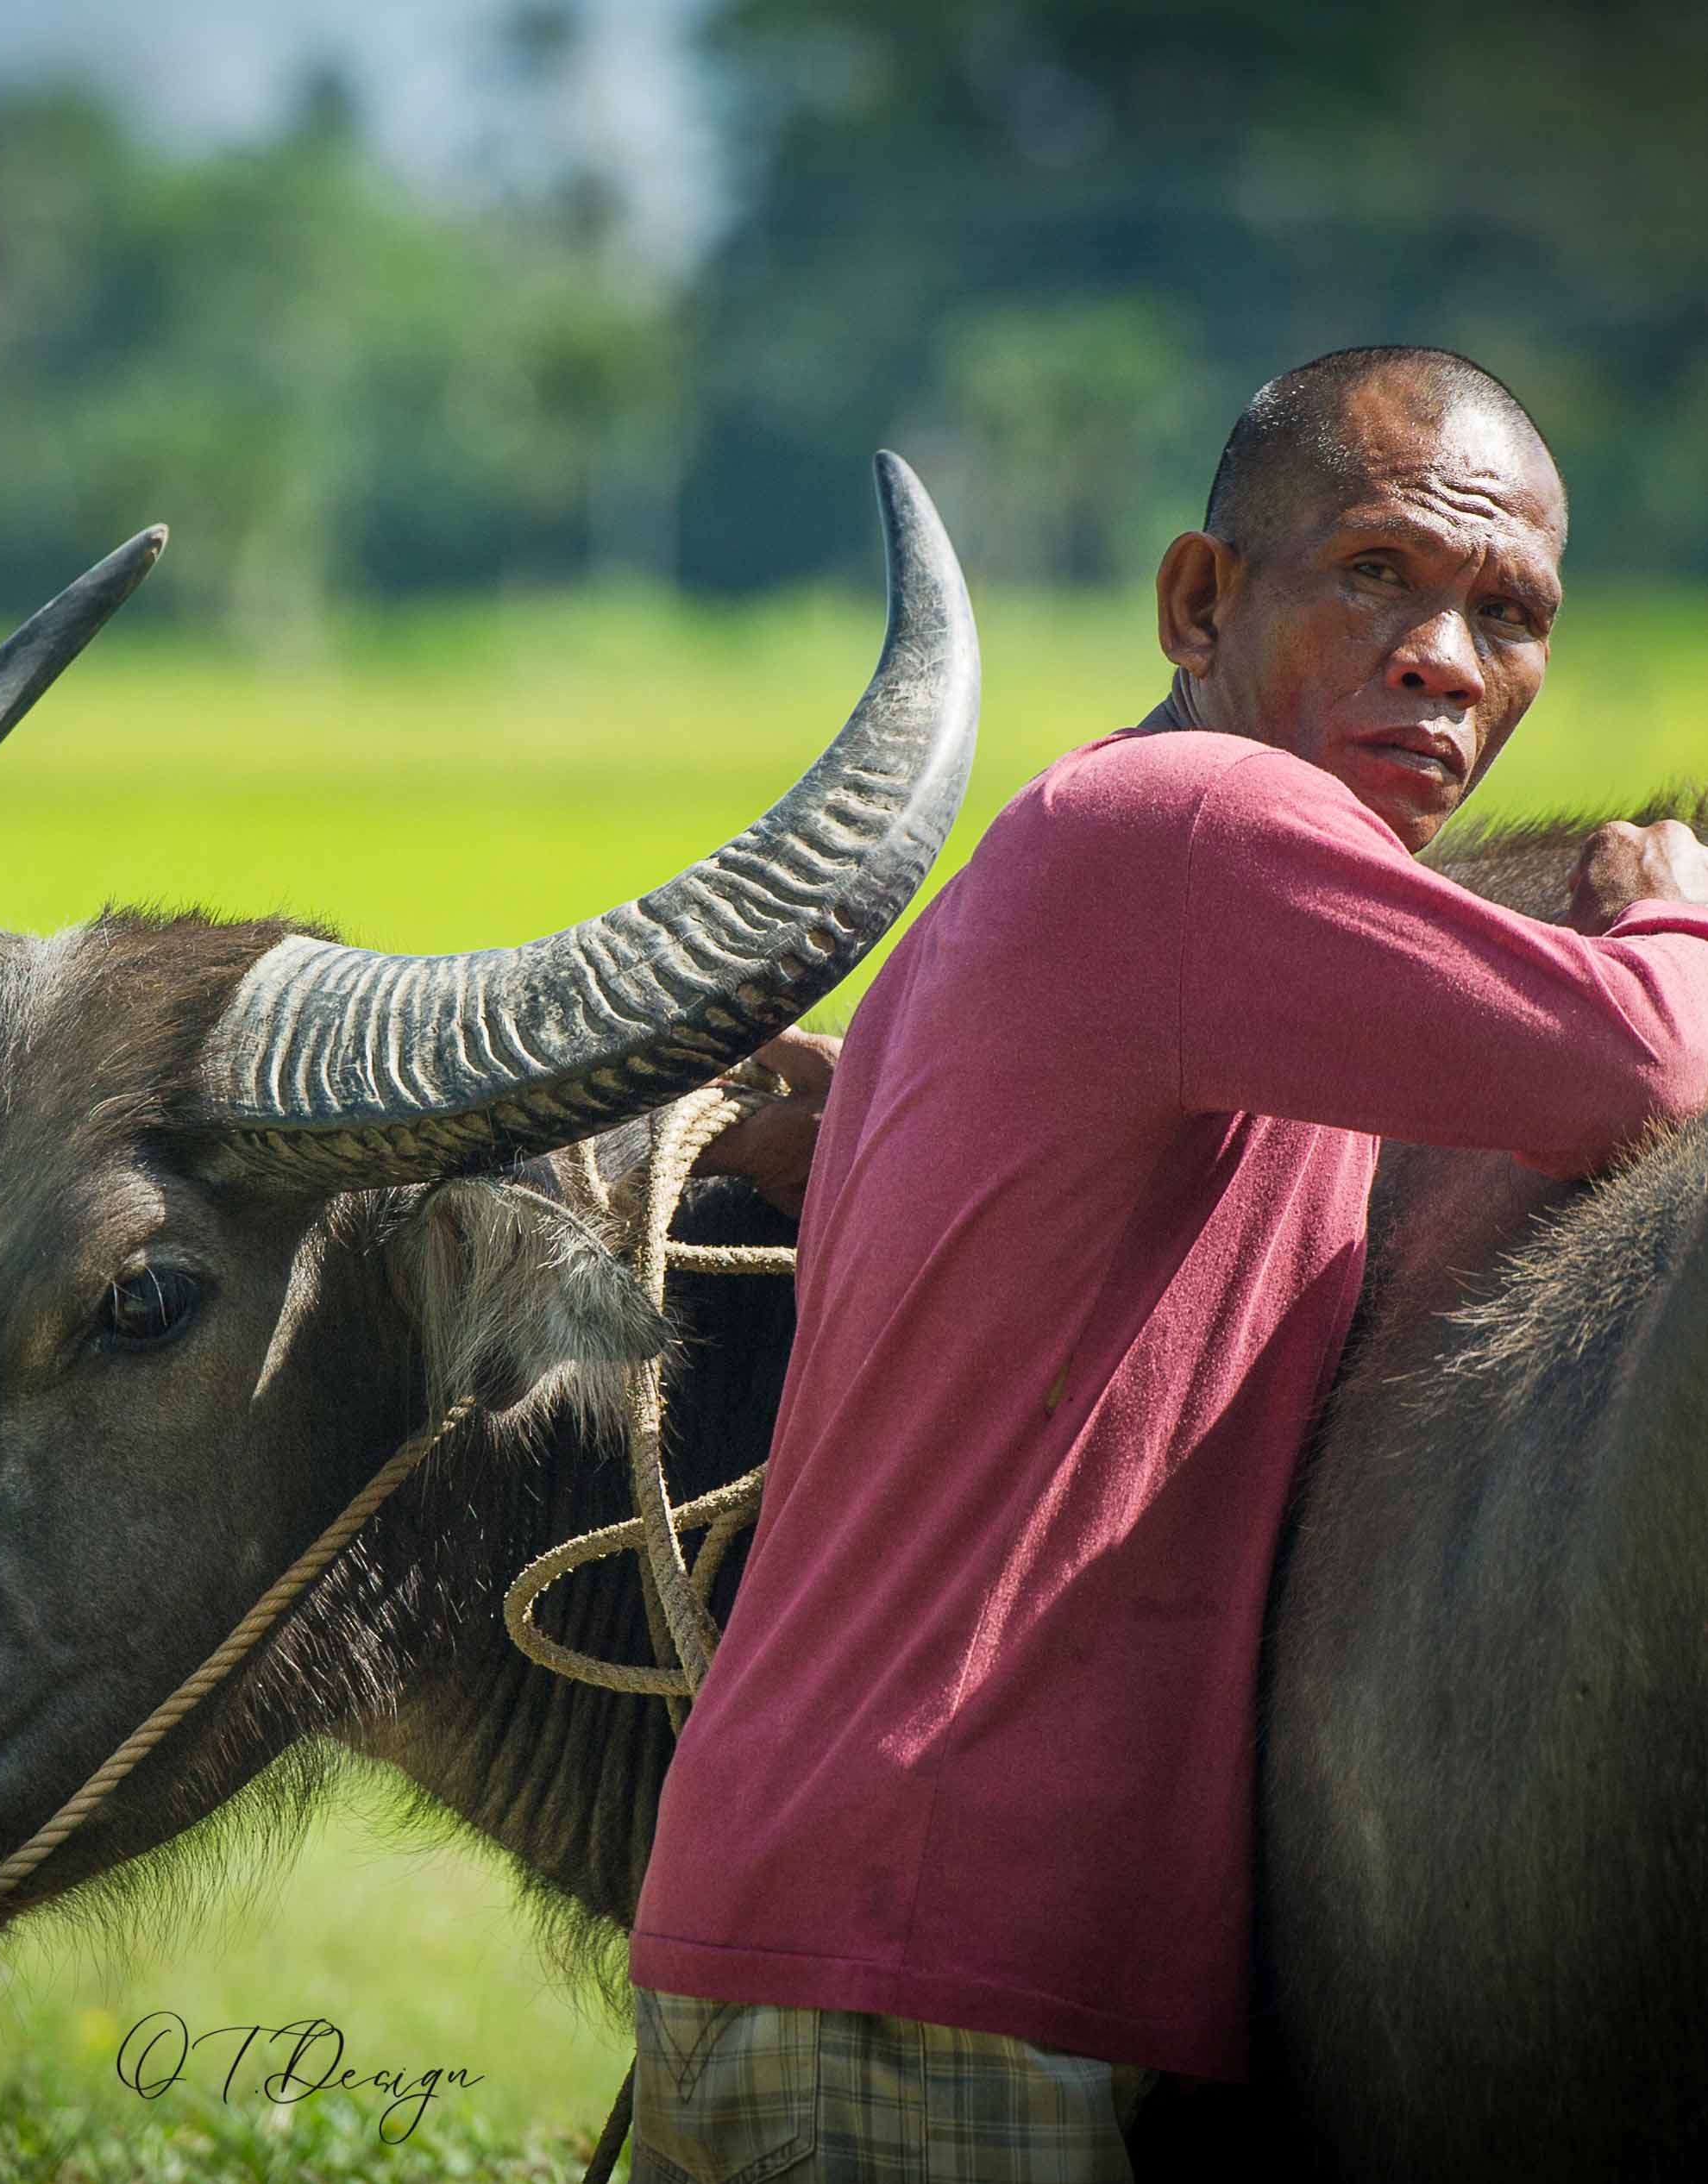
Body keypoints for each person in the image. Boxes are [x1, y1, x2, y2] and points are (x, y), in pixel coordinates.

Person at [626, 346, 1708, 2182]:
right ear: (1201, 600)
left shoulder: (1074, 864)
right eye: (1376, 574)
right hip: (918, 1969)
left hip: (851, 1943)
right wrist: (1672, 898)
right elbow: (1646, 1066)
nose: (1446, 661)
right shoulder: (1200, 825)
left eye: (1507, 614)